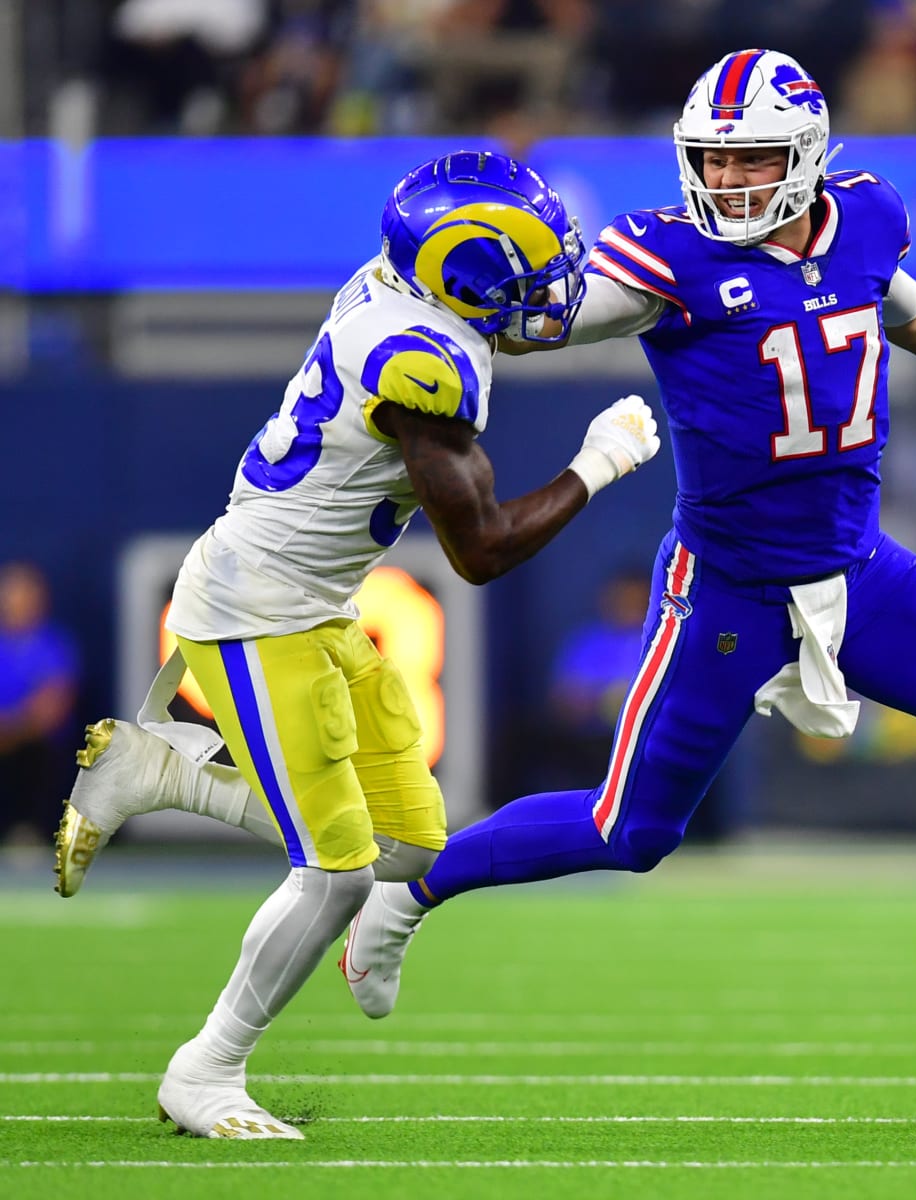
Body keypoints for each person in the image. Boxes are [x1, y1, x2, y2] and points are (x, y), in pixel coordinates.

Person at [336, 49, 916, 1062]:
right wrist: (437, 300)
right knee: (632, 832)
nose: (728, 182)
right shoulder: (670, 261)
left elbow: (913, 311)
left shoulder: (867, 219)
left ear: (807, 159)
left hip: (863, 575)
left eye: (751, 162)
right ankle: (411, 893)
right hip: (729, 593)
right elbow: (551, 323)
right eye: (713, 160)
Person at [53, 149, 659, 1139]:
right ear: (463, 278)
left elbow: (529, 328)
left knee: (408, 844)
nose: (549, 291)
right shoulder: (425, 365)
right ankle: (205, 1071)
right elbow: (482, 548)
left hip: (314, 604)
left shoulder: (402, 285)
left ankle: (158, 774)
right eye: (527, 273)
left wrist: (659, 300)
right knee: (335, 871)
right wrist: (597, 465)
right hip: (256, 610)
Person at [0, 562, 80, 846]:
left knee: (36, 755)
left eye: (25, 593)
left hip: (31, 745)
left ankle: (28, 831)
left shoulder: (53, 645)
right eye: (11, 593)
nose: (17, 601)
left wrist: (11, 731)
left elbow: (52, 710)